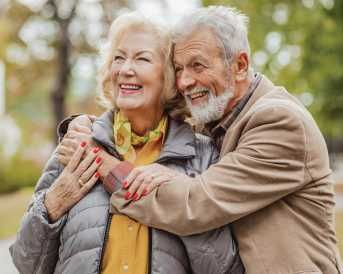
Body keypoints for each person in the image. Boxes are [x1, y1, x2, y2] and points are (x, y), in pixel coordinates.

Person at [70, 6, 340, 274]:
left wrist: (99, 160)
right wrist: (90, 126)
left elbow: (194, 204)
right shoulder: (217, 115)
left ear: (240, 66)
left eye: (197, 65)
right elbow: (153, 113)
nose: (185, 81)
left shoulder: (280, 122)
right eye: (178, 68)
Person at [9, 12, 243, 274]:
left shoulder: (202, 157)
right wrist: (54, 202)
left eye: (142, 58)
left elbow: (224, 269)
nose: (125, 69)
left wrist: (181, 201)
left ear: (168, 75)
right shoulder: (77, 145)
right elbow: (26, 262)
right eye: (118, 58)